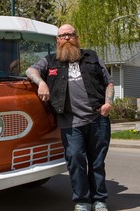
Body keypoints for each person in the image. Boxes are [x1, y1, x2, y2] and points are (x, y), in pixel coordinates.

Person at [25, 24, 114, 211]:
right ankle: (82, 201)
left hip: (97, 119)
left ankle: (99, 200)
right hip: (70, 123)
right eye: (62, 35)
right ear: (57, 40)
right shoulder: (50, 61)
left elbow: (109, 82)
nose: (66, 38)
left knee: (97, 162)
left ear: (76, 37)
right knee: (75, 161)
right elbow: (30, 70)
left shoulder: (92, 56)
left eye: (70, 35)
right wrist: (41, 83)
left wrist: (109, 102)